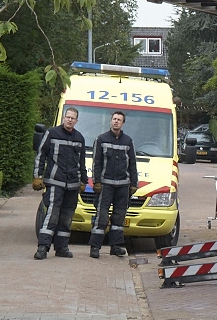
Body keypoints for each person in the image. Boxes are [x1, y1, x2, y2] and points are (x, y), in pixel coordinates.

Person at [33, 107, 87, 260]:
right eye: (68, 117)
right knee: (52, 214)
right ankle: (43, 247)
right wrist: (37, 176)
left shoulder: (79, 138)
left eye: (73, 118)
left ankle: (62, 247)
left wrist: (83, 181)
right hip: (55, 182)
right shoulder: (52, 133)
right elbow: (41, 155)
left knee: (67, 217)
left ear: (76, 121)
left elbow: (81, 162)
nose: (69, 120)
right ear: (64, 118)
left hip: (73, 185)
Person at [89, 110, 138, 258]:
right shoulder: (101, 139)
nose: (116, 121)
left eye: (119, 120)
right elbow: (96, 162)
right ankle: (95, 247)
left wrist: (134, 183)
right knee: (101, 216)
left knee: (119, 217)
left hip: (123, 186)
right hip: (105, 185)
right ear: (111, 121)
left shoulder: (128, 141)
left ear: (123, 123)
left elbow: (133, 164)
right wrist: (96, 181)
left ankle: (116, 246)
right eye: (114, 119)